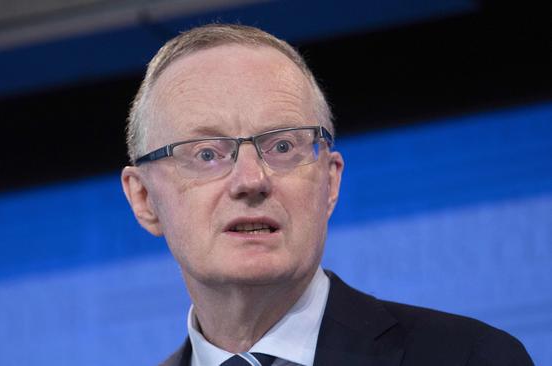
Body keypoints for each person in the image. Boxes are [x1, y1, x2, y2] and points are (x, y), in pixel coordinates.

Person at [121, 24, 533, 366]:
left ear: (330, 182)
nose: (251, 180)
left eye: (282, 147)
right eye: (207, 154)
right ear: (143, 199)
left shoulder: (471, 358)